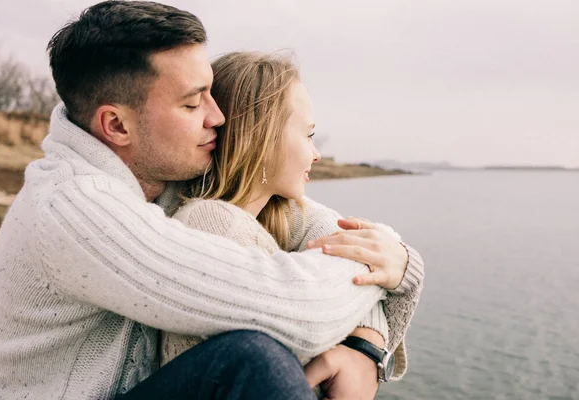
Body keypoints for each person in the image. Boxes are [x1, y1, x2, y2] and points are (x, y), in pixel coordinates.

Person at [0, 2, 424, 399]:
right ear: (116, 126)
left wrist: (370, 334)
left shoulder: (166, 173)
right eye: (192, 106)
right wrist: (378, 268)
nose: (218, 116)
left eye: (211, 92)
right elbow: (294, 308)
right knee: (249, 361)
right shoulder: (74, 211)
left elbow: (339, 233)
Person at [161, 52, 421, 392]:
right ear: (261, 138)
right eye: (308, 135)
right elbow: (309, 324)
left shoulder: (278, 214)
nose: (317, 154)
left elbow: (358, 236)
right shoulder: (211, 223)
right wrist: (397, 274)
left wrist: (397, 264)